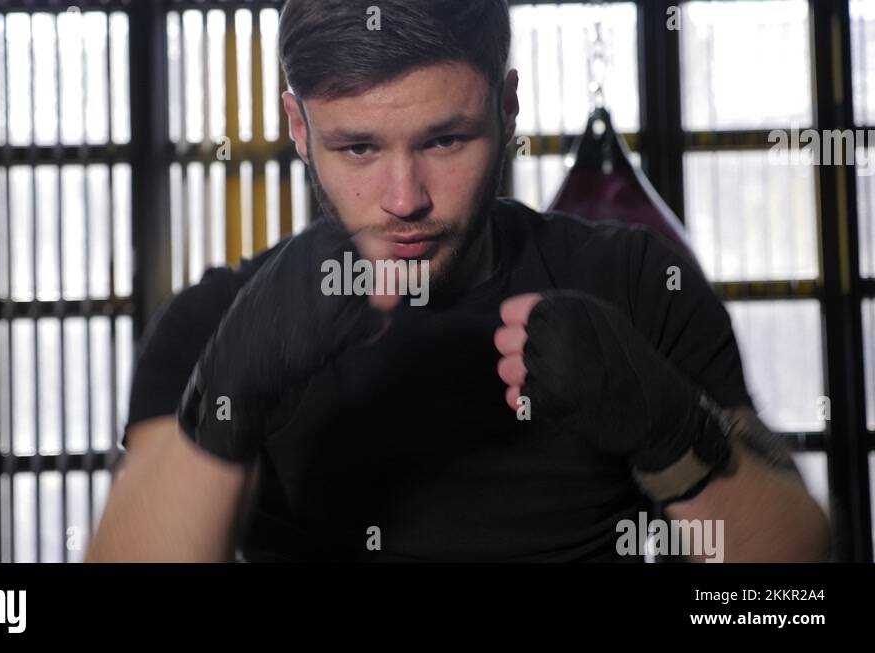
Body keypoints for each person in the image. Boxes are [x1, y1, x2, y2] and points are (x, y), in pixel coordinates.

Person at [86, 0, 830, 562]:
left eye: (445, 139)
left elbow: (796, 583)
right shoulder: (216, 319)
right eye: (358, 148)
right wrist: (228, 399)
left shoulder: (634, 282)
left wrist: (672, 435)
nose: (405, 196)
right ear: (298, 127)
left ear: (507, 108)